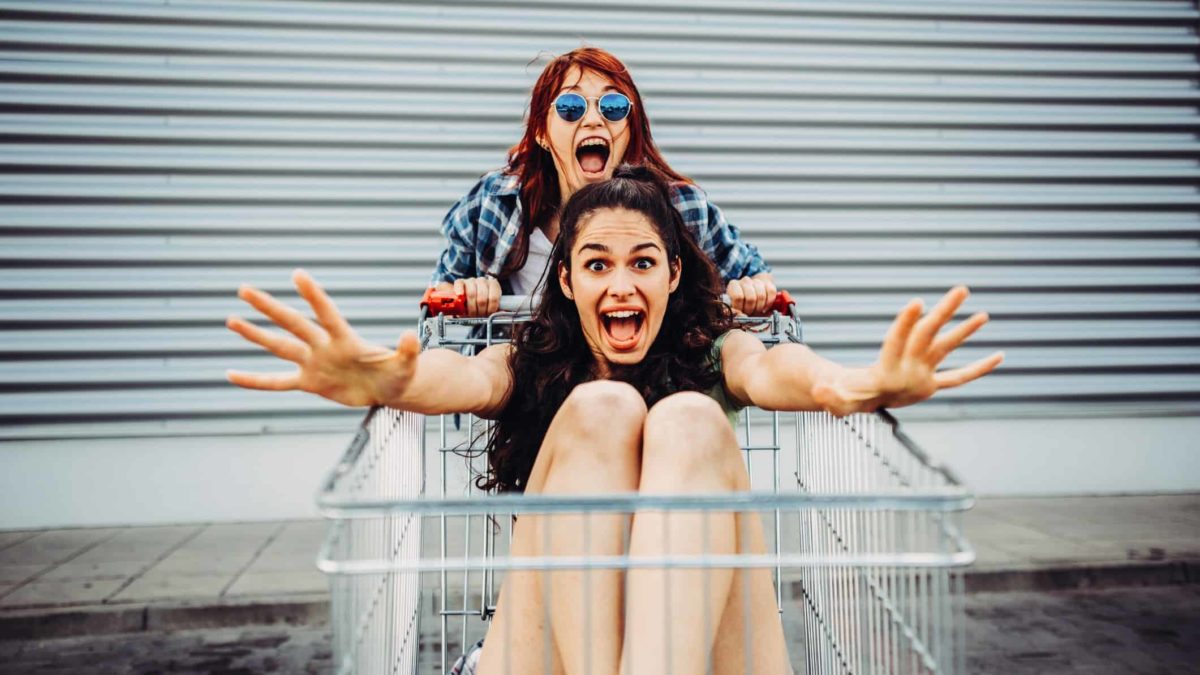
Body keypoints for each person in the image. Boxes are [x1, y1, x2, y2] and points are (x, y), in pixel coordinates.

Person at [227, 166, 1002, 674]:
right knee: (603, 406)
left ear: (673, 274)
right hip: (543, 654)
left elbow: (774, 369)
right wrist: (385, 378)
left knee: (691, 418)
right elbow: (459, 376)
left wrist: (858, 384)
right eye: (597, 263)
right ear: (566, 280)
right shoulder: (530, 363)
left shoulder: (712, 354)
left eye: (642, 262)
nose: (621, 284)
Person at [431, 46, 779, 318]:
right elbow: (439, 302)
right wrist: (472, 293)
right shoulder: (496, 203)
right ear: (541, 132)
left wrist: (753, 290)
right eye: (571, 107)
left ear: (631, 128)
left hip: (644, 380)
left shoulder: (680, 208)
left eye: (613, 106)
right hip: (528, 382)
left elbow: (754, 277)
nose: (594, 119)